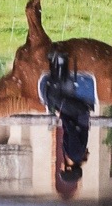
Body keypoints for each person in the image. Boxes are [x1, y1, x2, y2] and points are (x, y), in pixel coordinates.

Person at [39, 48, 95, 196]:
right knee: (53, 98)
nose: (61, 166)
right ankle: (61, 60)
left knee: (54, 101)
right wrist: (61, 114)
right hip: (79, 113)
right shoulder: (74, 154)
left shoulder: (73, 155)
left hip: (74, 115)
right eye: (63, 169)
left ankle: (54, 62)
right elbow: (71, 130)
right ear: (68, 169)